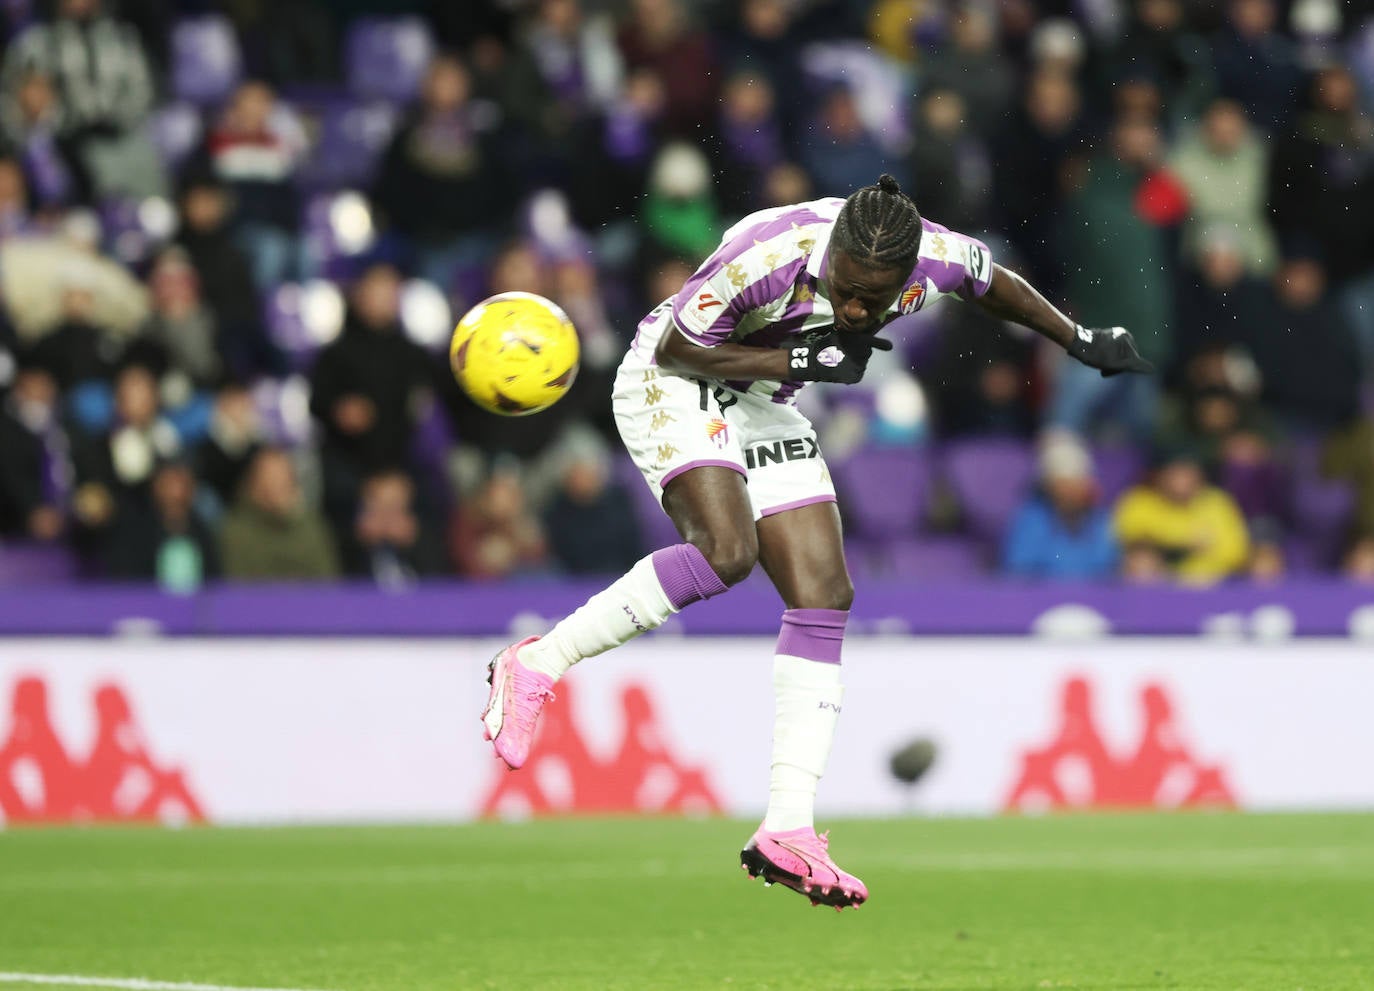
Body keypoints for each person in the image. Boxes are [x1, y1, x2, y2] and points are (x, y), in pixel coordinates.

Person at [480, 175, 1151, 910]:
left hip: (764, 397)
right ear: (830, 255)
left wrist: (1078, 339)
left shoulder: (930, 253)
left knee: (826, 594)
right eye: (850, 290)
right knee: (725, 552)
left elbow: (994, 282)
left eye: (877, 297)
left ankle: (786, 827)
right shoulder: (768, 255)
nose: (860, 308)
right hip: (674, 377)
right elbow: (677, 348)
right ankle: (536, 662)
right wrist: (799, 363)